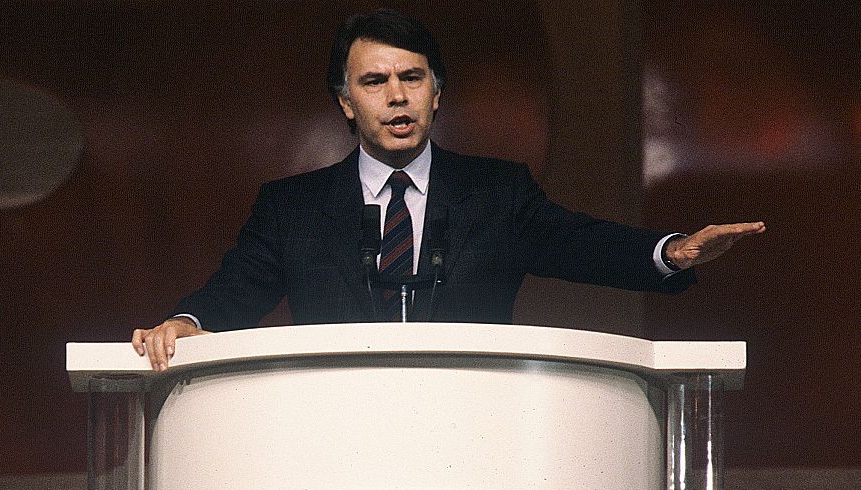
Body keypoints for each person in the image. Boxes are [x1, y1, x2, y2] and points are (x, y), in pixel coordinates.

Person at [132, 9, 764, 371]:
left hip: (475, 425)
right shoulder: (292, 207)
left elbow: (582, 245)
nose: (398, 96)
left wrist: (671, 251)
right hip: (330, 429)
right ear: (346, 103)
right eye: (375, 81)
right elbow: (232, 295)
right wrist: (184, 323)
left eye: (413, 77)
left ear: (437, 93)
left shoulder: (498, 193)